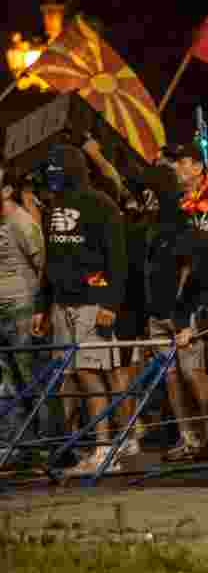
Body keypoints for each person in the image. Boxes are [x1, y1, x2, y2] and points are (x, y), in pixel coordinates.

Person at [31, 144, 133, 475]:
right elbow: (51, 261)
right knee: (69, 378)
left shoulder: (102, 204)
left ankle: (105, 449)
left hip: (93, 301)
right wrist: (42, 305)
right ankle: (76, 448)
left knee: (91, 375)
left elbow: (116, 259)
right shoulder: (52, 207)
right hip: (62, 305)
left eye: (57, 168)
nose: (52, 175)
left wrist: (109, 303)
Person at [0, 167, 44, 463]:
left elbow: (42, 265)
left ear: (6, 191)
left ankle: (47, 442)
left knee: (30, 377)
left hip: (23, 309)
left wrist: (40, 307)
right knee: (5, 381)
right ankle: (15, 444)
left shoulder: (21, 222)